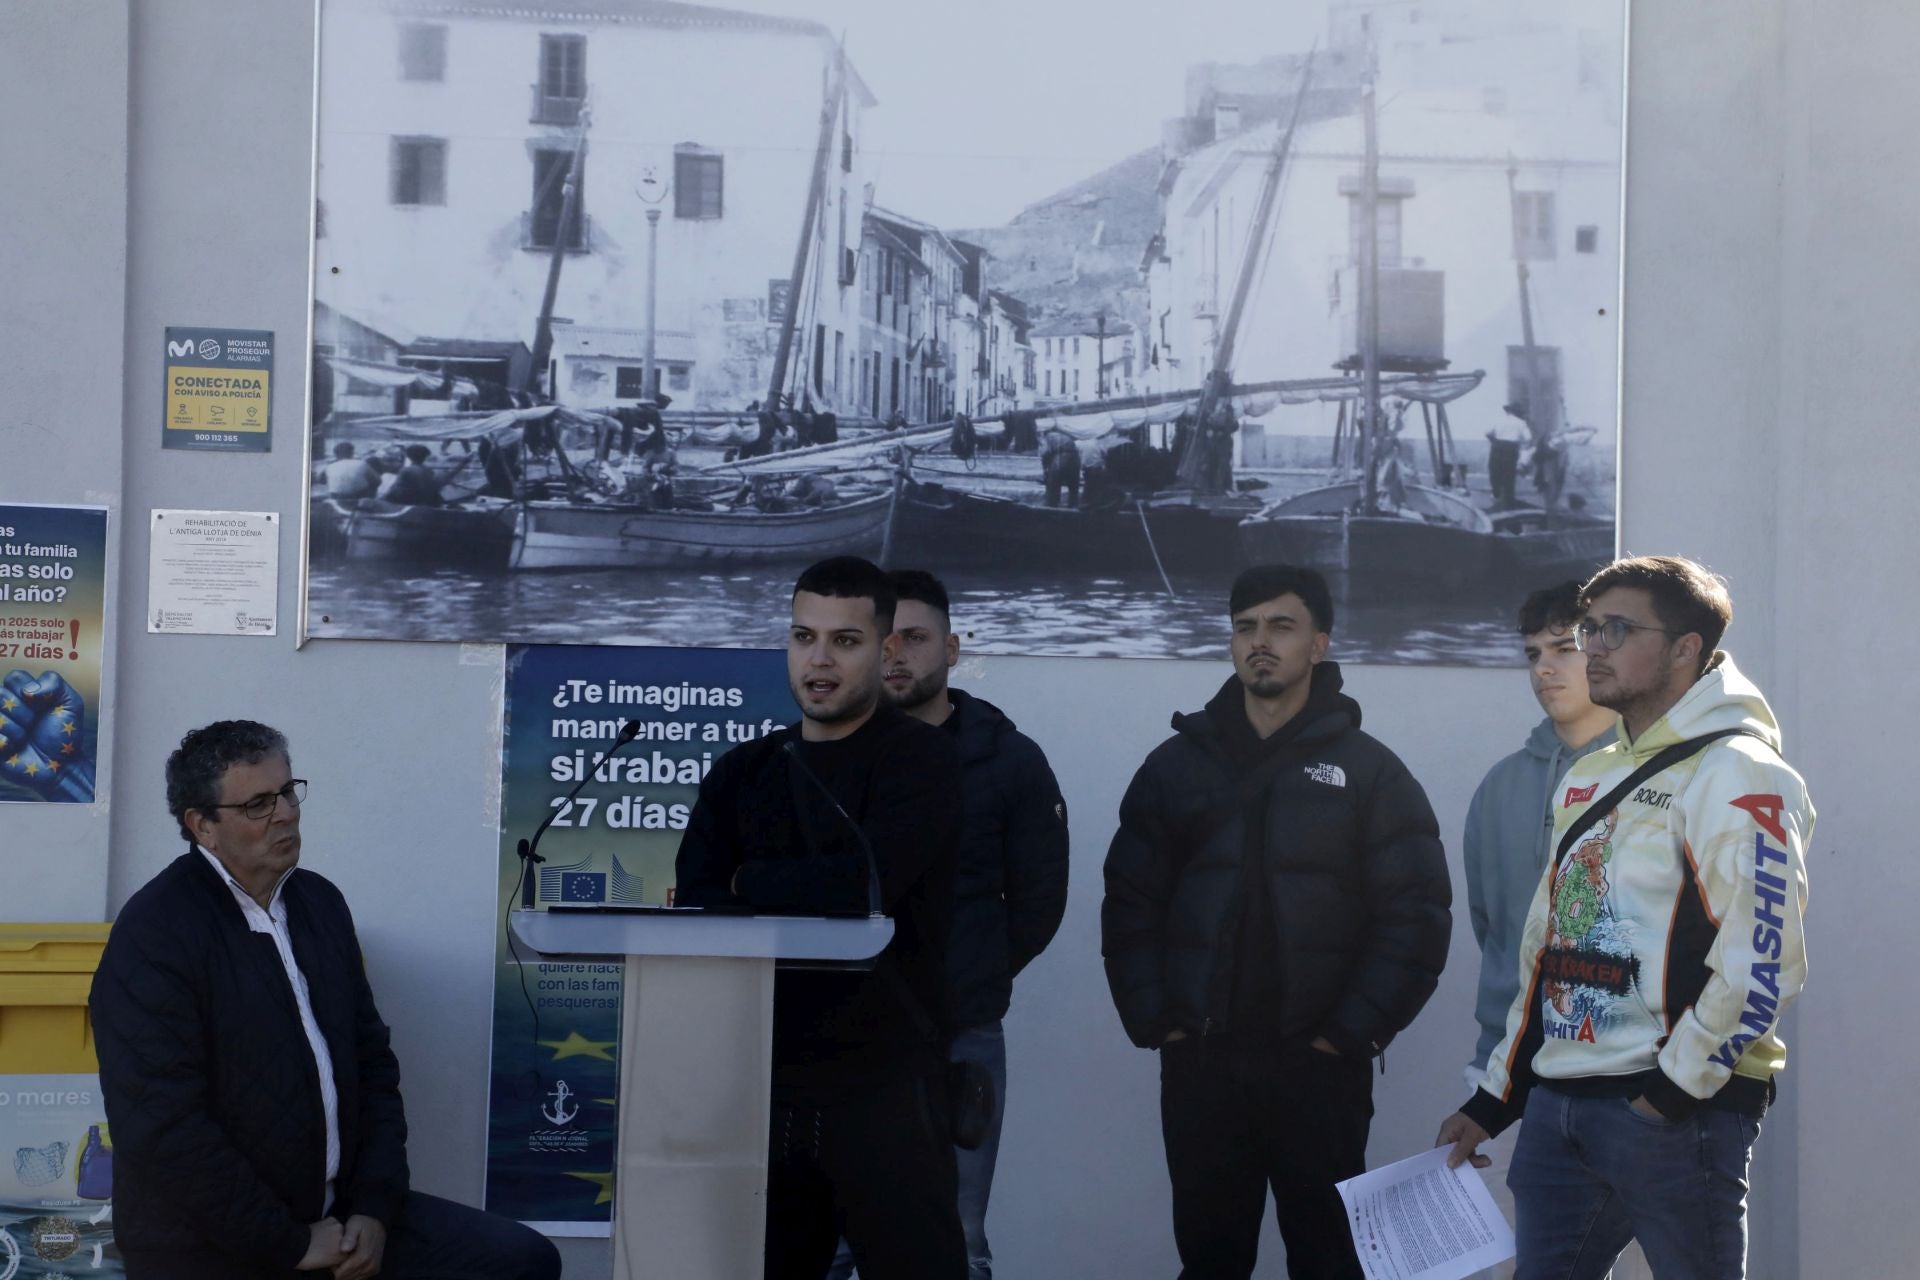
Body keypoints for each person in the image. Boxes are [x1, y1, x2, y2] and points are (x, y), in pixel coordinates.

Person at [1437, 556, 1813, 1280]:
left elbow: (1765, 963)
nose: (1592, 647)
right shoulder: (1589, 773)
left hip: (1678, 1113)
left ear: (1685, 649)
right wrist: (1495, 1099)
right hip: (1559, 1107)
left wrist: (1666, 1098)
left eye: (1616, 628)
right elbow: (1544, 951)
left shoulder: (1739, 770)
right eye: (1587, 628)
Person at [89, 721, 561, 1280]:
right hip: (212, 1245)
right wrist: (284, 1242)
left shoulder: (319, 904)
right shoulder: (156, 933)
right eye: (259, 804)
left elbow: (373, 1068)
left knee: (521, 1261)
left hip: (338, 1220)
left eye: (288, 791)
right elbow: (162, 1129)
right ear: (202, 826)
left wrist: (374, 1209)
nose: (286, 813)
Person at [1102, 564, 1451, 1280]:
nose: (1260, 642)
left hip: (1318, 1071)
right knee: (1210, 1260)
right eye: (1245, 627)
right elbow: (1130, 904)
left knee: (1328, 1263)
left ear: (1319, 643)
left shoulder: (1371, 772)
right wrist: (1157, 1022)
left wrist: (1345, 1036)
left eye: (1281, 626)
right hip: (1202, 1063)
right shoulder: (1175, 768)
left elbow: (1415, 918)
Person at [674, 557, 967, 1280]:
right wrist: (766, 887)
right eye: (804, 637)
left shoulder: (923, 762)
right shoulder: (744, 772)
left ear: (885, 648)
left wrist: (749, 880)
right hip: (759, 1087)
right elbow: (693, 902)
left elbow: (867, 886)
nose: (819, 660)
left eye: (845, 640)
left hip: (887, 1083)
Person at [825, 570, 1070, 1280]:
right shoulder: (828, 755)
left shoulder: (1010, 760)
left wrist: (971, 969)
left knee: (960, 1244)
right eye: (884, 638)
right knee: (834, 1247)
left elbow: (1038, 902)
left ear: (953, 648)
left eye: (916, 638)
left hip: (963, 1034)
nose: (897, 653)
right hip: (842, 1041)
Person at [1461, 581, 1625, 1280]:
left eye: (1564, 648)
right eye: (1533, 654)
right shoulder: (1499, 786)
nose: (1544, 670)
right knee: (1513, 1268)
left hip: (1627, 1081)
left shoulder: (1664, 779)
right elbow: (1492, 929)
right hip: (1502, 1077)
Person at [379, 444, 444, 506]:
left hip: (411, 502)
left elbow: (394, 489)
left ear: (409, 456)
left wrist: (380, 500)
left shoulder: (407, 470)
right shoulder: (429, 471)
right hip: (425, 502)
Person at [1039, 427, 1080, 508]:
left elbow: (1045, 452)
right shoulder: (1065, 436)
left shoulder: (1047, 437)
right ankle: (1073, 504)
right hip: (1075, 457)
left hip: (1061, 457)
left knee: (1053, 482)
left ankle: (1052, 504)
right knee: (1073, 484)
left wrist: (1045, 468)